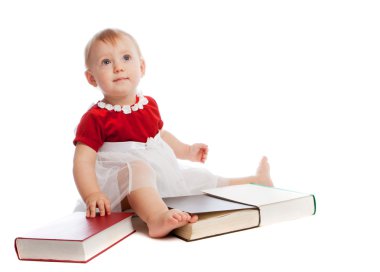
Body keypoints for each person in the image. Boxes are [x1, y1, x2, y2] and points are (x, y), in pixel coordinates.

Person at [73, 28, 273, 238]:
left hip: (158, 177)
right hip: (119, 189)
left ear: (141, 67)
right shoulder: (95, 118)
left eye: (126, 57)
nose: (118, 67)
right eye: (106, 62)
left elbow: (159, 137)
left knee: (197, 178)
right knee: (138, 168)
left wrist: (187, 151)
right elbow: (83, 162)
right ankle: (157, 218)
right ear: (91, 78)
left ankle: (255, 181)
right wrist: (92, 194)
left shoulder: (148, 104)